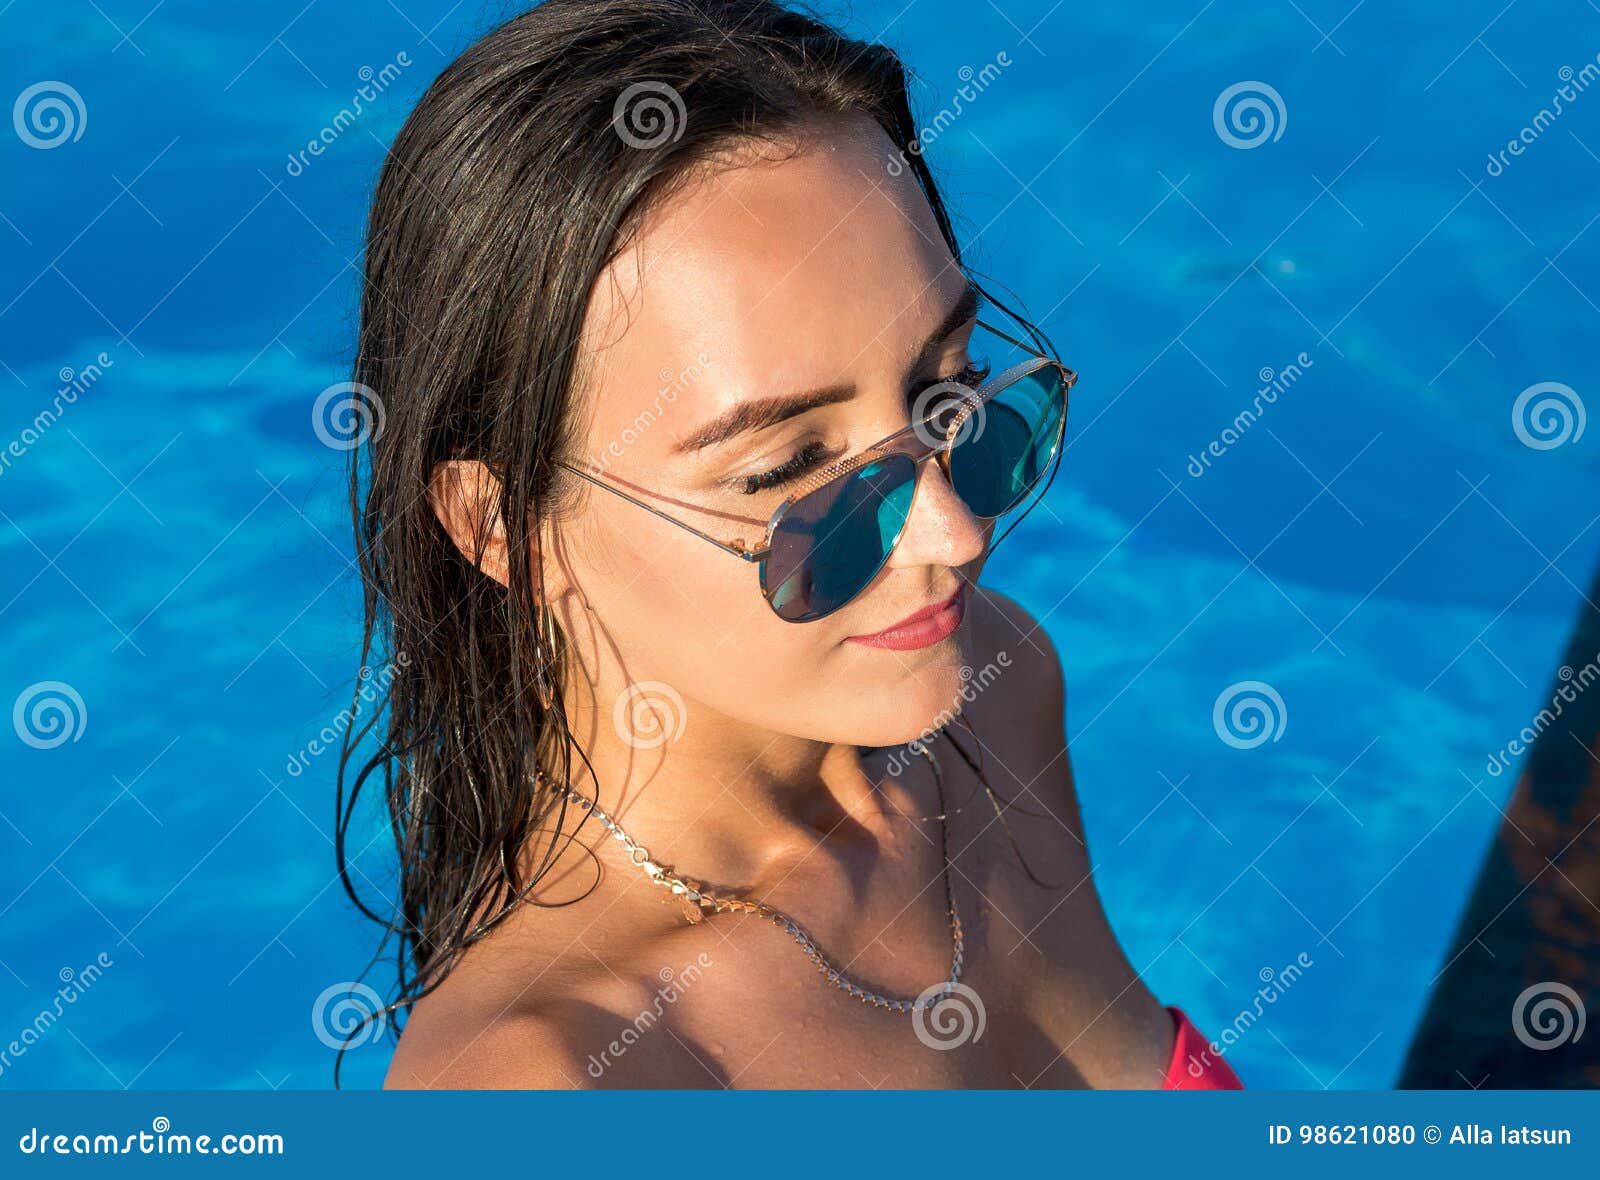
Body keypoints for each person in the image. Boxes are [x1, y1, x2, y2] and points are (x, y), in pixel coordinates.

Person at [338, 0, 1242, 1090]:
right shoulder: (566, 1079)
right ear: (505, 529)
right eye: (785, 476)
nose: (953, 533)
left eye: (947, 396)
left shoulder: (998, 700)